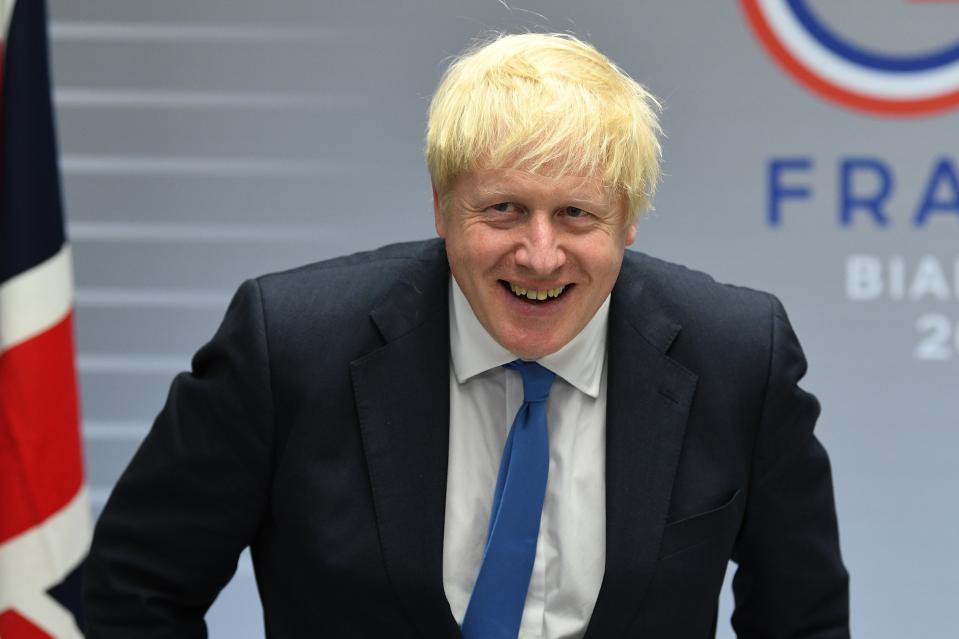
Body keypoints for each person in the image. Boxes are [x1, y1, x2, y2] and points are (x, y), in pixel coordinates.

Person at [84, 33, 849, 638]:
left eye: (576, 214)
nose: (540, 253)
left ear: (629, 217)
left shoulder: (738, 355)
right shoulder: (288, 345)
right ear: (442, 207)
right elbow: (132, 588)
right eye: (504, 210)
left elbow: (802, 619)